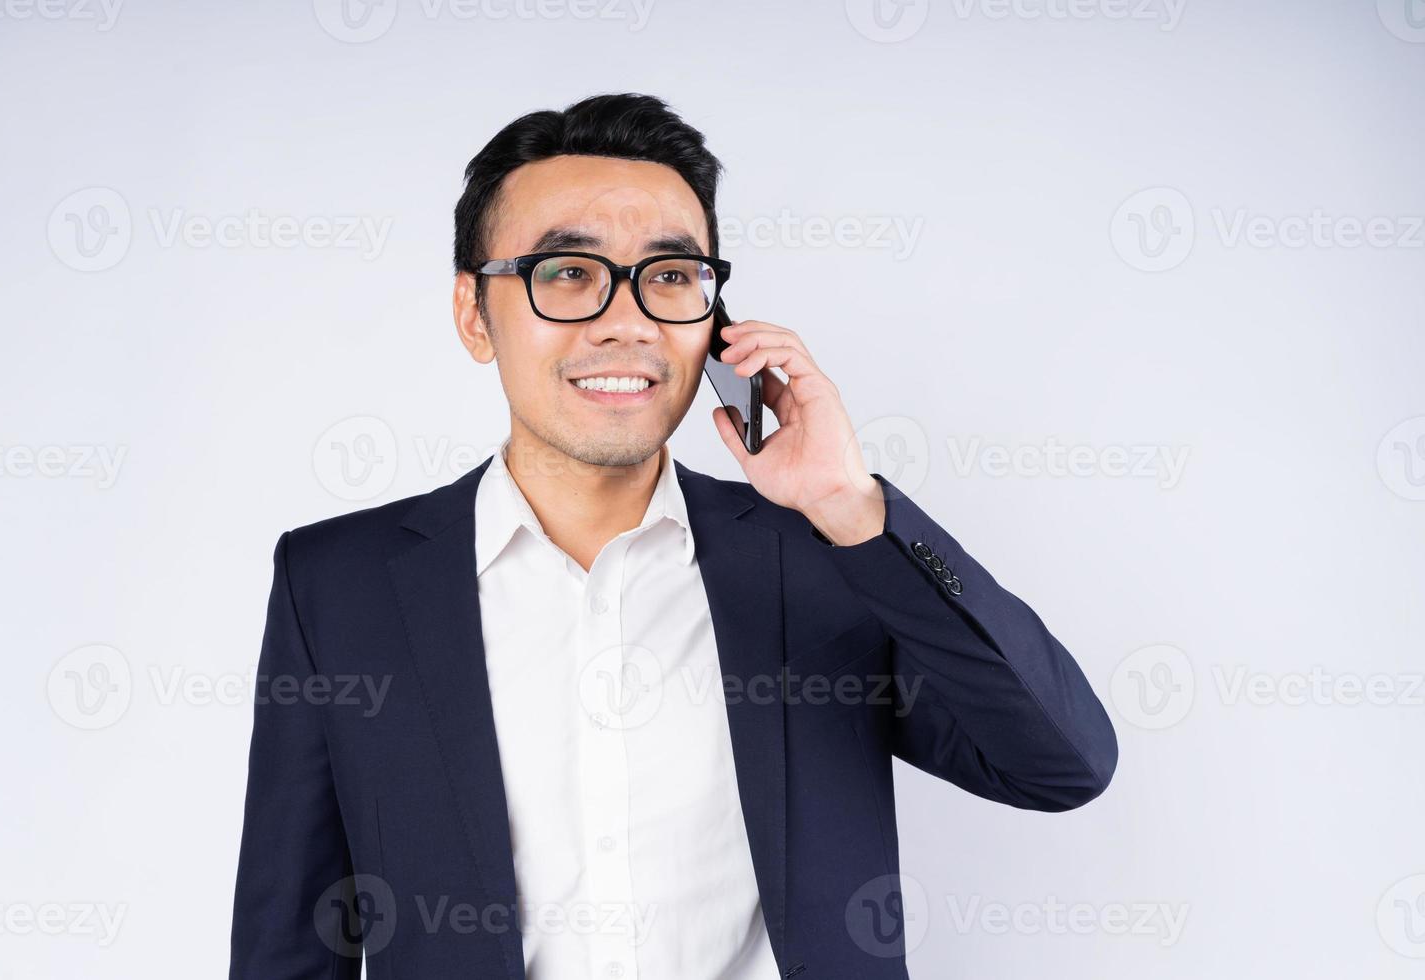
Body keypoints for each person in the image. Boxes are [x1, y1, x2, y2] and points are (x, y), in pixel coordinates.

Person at [228, 91, 1118, 980]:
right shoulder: (340, 584)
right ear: (474, 314)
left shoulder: (818, 561)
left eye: (669, 276)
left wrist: (850, 504)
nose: (628, 321)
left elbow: (1059, 763)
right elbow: (291, 944)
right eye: (568, 272)